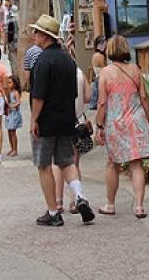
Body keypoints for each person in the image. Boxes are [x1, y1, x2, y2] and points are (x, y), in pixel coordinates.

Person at [29, 14, 95, 226]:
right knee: (66, 161)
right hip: (67, 118)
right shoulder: (68, 60)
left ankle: (53, 211)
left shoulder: (42, 61)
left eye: (37, 32)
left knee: (44, 165)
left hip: (46, 121)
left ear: (45, 36)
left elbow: (39, 95)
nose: (34, 35)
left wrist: (33, 119)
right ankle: (79, 196)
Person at [95, 35, 149, 218]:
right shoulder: (136, 70)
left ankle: (110, 204)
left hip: (116, 122)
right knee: (136, 164)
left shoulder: (106, 72)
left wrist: (99, 125)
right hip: (136, 120)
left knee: (112, 163)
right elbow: (144, 98)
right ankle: (139, 207)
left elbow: (102, 103)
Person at [53, 61, 91, 214]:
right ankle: (75, 200)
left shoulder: (54, 72)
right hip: (78, 122)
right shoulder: (79, 72)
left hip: (58, 121)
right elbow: (88, 97)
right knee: (73, 163)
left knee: (57, 163)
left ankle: (58, 202)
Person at [5, 75, 23, 157]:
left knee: (13, 132)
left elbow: (19, 102)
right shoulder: (9, 92)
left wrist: (13, 105)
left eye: (10, 82)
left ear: (15, 84)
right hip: (9, 114)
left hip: (14, 114)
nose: (8, 84)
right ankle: (12, 148)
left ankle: (15, 149)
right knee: (9, 131)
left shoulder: (15, 92)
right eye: (7, 82)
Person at [89, 36, 107, 110]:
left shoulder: (95, 55)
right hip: (101, 78)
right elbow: (104, 70)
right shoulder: (100, 56)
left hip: (97, 78)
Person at [5, 2, 19, 75]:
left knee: (13, 61)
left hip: (12, 43)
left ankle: (15, 77)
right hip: (20, 43)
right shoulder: (20, 18)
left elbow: (7, 33)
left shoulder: (9, 20)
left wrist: (5, 46)